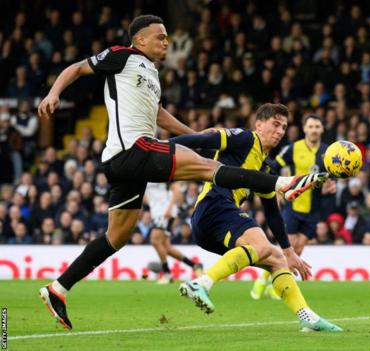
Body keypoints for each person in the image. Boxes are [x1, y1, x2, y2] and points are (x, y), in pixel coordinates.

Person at [37, 15, 326, 330]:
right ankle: (284, 183)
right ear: (141, 39)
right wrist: (54, 93)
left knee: (116, 236)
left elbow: (159, 115)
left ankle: (58, 289)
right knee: (214, 169)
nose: (166, 42)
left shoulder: (152, 74)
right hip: (133, 149)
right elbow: (76, 68)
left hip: (125, 162)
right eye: (160, 37)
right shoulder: (122, 56)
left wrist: (197, 136)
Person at [171, 103, 342, 332]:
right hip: (215, 206)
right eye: (275, 124)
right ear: (259, 125)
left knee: (276, 259)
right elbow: (203, 139)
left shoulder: (266, 166)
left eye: (283, 127)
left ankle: (307, 317)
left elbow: (272, 211)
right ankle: (200, 283)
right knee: (262, 245)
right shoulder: (244, 139)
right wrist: (160, 149)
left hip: (213, 225)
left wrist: (289, 252)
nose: (280, 131)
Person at [250, 114, 336, 300]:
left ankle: (274, 283)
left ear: (322, 130)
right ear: (305, 129)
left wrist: (332, 184)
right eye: (310, 126)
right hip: (293, 205)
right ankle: (265, 282)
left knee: (297, 250)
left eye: (317, 126)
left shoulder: (327, 152)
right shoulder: (293, 148)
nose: (314, 130)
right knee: (285, 248)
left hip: (314, 209)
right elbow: (273, 165)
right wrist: (277, 188)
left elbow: (332, 175)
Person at [144, 182, 202, 284]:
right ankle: (195, 266)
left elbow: (176, 188)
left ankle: (167, 274)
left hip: (165, 211)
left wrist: (170, 207)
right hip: (156, 212)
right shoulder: (145, 175)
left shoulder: (161, 173)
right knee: (166, 247)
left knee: (155, 240)